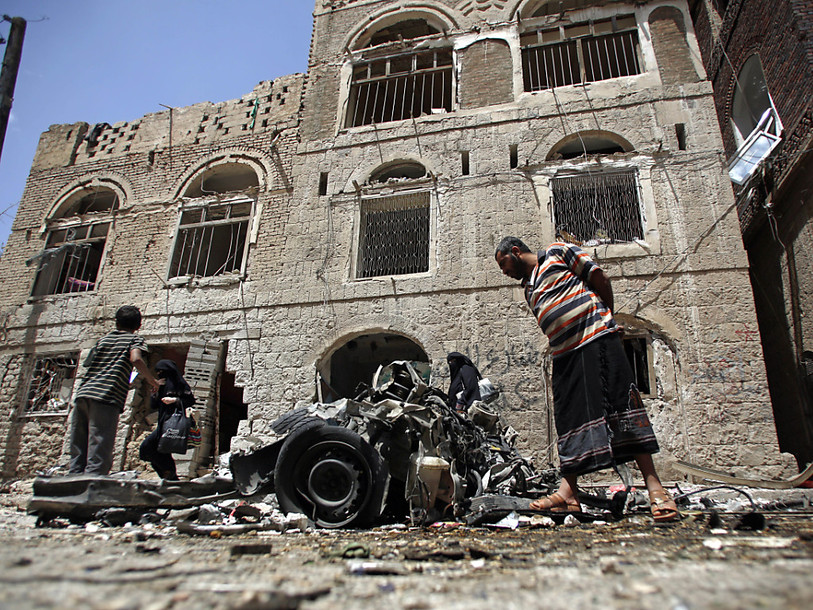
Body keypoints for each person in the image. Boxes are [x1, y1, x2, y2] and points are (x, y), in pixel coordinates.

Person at [494, 237, 678, 522]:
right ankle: (569, 494)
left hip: (596, 338)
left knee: (623, 406)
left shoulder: (557, 252)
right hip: (564, 354)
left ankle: (656, 488)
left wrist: (607, 317)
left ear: (515, 252)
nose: (503, 271)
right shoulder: (528, 289)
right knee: (569, 418)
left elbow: (599, 277)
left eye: (503, 263)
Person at [69, 306, 159, 475]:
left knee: (79, 442)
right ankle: (93, 484)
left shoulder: (103, 340)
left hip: (84, 393)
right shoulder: (135, 340)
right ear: (138, 326)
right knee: (100, 441)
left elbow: (88, 363)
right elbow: (136, 359)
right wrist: (151, 380)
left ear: (116, 323)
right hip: (106, 395)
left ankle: (73, 480)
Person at [139, 359, 196, 480]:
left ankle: (170, 476)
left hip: (174, 423)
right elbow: (154, 405)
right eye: (158, 372)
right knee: (153, 450)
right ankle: (169, 476)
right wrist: (155, 392)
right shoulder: (162, 385)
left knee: (151, 447)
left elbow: (190, 400)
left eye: (162, 371)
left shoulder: (180, 385)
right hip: (162, 423)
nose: (160, 374)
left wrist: (174, 400)